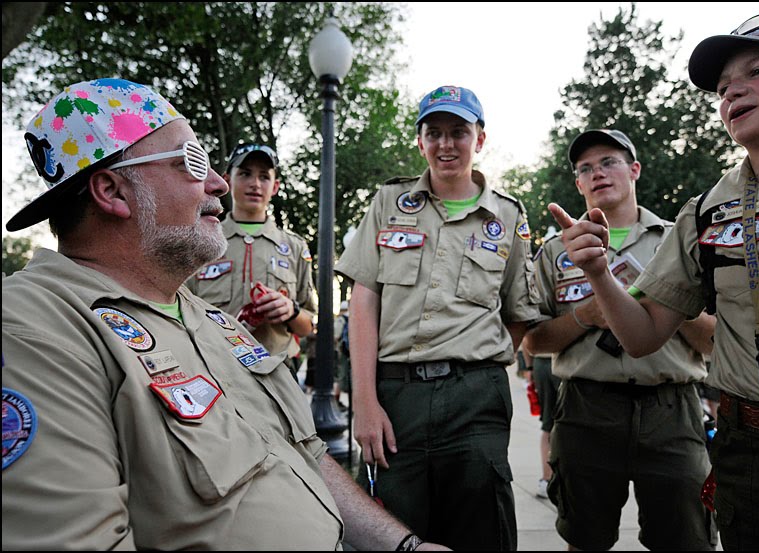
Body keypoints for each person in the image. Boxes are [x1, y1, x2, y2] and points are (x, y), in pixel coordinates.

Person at [1, 78, 449, 552]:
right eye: (192, 162)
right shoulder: (35, 328)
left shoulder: (210, 320)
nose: (218, 183)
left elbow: (306, 455)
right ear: (113, 191)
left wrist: (406, 547)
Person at [549, 12, 759, 551]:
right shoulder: (706, 213)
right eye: (724, 86)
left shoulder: (671, 225)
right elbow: (641, 336)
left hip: (675, 413)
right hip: (751, 450)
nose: (735, 91)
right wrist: (598, 274)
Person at [334, 85, 542, 551]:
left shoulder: (507, 217)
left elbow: (518, 314)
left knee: (482, 528)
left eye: (458, 132)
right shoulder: (389, 204)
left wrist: (479, 370)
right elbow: (364, 300)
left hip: (475, 398)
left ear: (480, 140)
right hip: (397, 397)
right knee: (395, 529)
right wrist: (364, 400)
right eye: (434, 132)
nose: (446, 144)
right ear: (420, 141)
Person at [523, 128, 718, 551]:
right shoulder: (558, 250)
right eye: (585, 168)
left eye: (609, 161)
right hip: (586, 408)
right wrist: (586, 315)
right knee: (585, 537)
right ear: (577, 184)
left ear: (634, 170)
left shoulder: (679, 240)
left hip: (672, 408)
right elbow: (533, 343)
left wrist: (663, 299)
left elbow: (714, 342)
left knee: (687, 538)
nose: (597, 173)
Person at [185, 142, 315, 380]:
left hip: (278, 372)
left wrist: (291, 310)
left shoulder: (294, 247)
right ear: (227, 180)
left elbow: (308, 326)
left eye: (264, 177)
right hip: (213, 369)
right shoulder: (200, 238)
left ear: (275, 186)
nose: (255, 184)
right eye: (245, 174)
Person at [530, 353, 559, 500]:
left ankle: (546, 479)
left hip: (540, 362)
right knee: (569, 424)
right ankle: (563, 479)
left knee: (547, 424)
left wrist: (529, 367)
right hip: (564, 360)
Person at [334, 300, 352, 410]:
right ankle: (354, 407)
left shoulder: (341, 319)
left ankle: (336, 402)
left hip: (343, 352)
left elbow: (336, 335)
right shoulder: (354, 317)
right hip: (353, 352)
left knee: (341, 377)